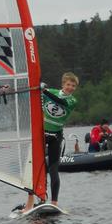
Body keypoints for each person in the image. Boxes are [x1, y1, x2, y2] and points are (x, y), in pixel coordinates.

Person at [22, 72, 80, 211]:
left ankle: (54, 203)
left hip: (56, 136)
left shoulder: (72, 101)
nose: (70, 87)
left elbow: (60, 102)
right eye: (68, 84)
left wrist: (44, 90)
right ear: (63, 84)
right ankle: (30, 202)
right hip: (41, 134)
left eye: (73, 86)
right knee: (34, 168)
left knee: (54, 169)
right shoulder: (50, 92)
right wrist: (34, 87)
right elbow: (32, 94)